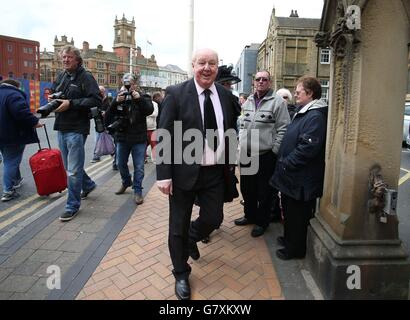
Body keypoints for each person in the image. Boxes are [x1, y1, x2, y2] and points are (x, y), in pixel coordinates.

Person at [156, 48, 239, 300]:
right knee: (177, 226)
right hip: (183, 173)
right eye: (201, 62)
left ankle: (192, 238)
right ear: (193, 65)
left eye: (212, 63)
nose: (207, 67)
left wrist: (232, 161)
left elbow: (231, 129)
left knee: (213, 218)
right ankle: (181, 272)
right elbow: (164, 135)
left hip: (214, 172)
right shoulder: (176, 94)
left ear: (217, 67)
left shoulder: (225, 95)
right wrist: (163, 175)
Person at [270, 76, 328, 260]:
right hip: (292, 177)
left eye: (298, 91)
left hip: (300, 178)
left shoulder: (316, 116)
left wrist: (287, 163)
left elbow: (308, 147)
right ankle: (289, 240)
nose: (295, 94)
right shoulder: (305, 111)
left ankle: (294, 249)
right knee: (288, 211)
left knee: (297, 216)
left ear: (310, 93)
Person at [235, 71, 290, 237]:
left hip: (265, 155)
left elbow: (283, 128)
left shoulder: (278, 102)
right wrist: (240, 143)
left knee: (264, 192)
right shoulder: (248, 101)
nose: (260, 82)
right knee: (247, 188)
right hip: (246, 154)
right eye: (258, 79)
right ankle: (250, 216)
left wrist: (274, 151)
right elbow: (242, 123)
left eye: (264, 79)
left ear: (269, 82)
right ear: (254, 82)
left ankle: (262, 222)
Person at [51, 45, 102, 222]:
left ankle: (72, 206)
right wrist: (52, 98)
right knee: (71, 167)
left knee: (72, 171)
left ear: (77, 59)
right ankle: (88, 184)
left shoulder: (86, 77)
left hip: (77, 128)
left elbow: (96, 99)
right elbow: (54, 91)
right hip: (61, 126)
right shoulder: (61, 76)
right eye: (63, 57)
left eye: (69, 57)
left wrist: (71, 104)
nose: (65, 60)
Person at [105, 74, 153, 205]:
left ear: (135, 85)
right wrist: (115, 102)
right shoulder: (118, 98)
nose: (128, 86)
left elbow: (149, 110)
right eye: (126, 83)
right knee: (120, 163)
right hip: (122, 137)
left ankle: (138, 191)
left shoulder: (143, 97)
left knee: (139, 166)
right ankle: (126, 182)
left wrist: (139, 99)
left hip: (138, 138)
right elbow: (107, 117)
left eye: (131, 83)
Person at [0, 79, 43, 202]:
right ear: (16, 87)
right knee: (11, 160)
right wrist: (35, 122)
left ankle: (16, 180)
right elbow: (21, 112)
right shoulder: (13, 94)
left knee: (10, 158)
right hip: (12, 135)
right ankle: (8, 191)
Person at [90, 85, 111, 163]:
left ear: (104, 91)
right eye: (99, 92)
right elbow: (92, 110)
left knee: (109, 140)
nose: (100, 93)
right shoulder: (96, 100)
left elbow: (111, 111)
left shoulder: (108, 100)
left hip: (106, 124)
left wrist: (106, 113)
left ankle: (113, 152)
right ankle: (97, 156)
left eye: (101, 91)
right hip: (98, 124)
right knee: (98, 140)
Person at [145, 93, 158, 163]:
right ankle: (144, 158)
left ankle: (155, 159)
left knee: (154, 144)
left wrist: (147, 113)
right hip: (143, 127)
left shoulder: (154, 104)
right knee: (143, 144)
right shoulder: (143, 103)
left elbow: (155, 113)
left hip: (152, 127)